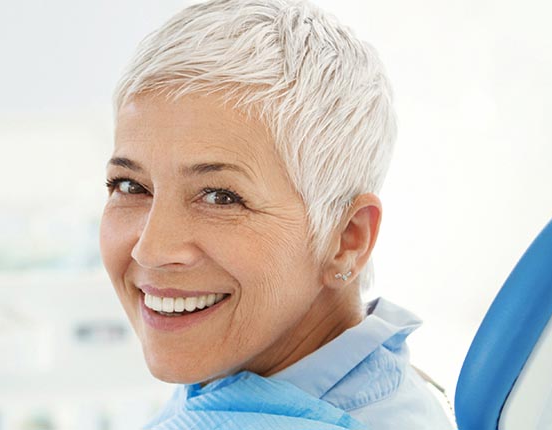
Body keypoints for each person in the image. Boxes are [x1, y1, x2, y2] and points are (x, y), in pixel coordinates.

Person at [99, 0, 455, 428]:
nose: (151, 250)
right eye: (130, 186)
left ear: (347, 238)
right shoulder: (375, 379)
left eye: (219, 197)